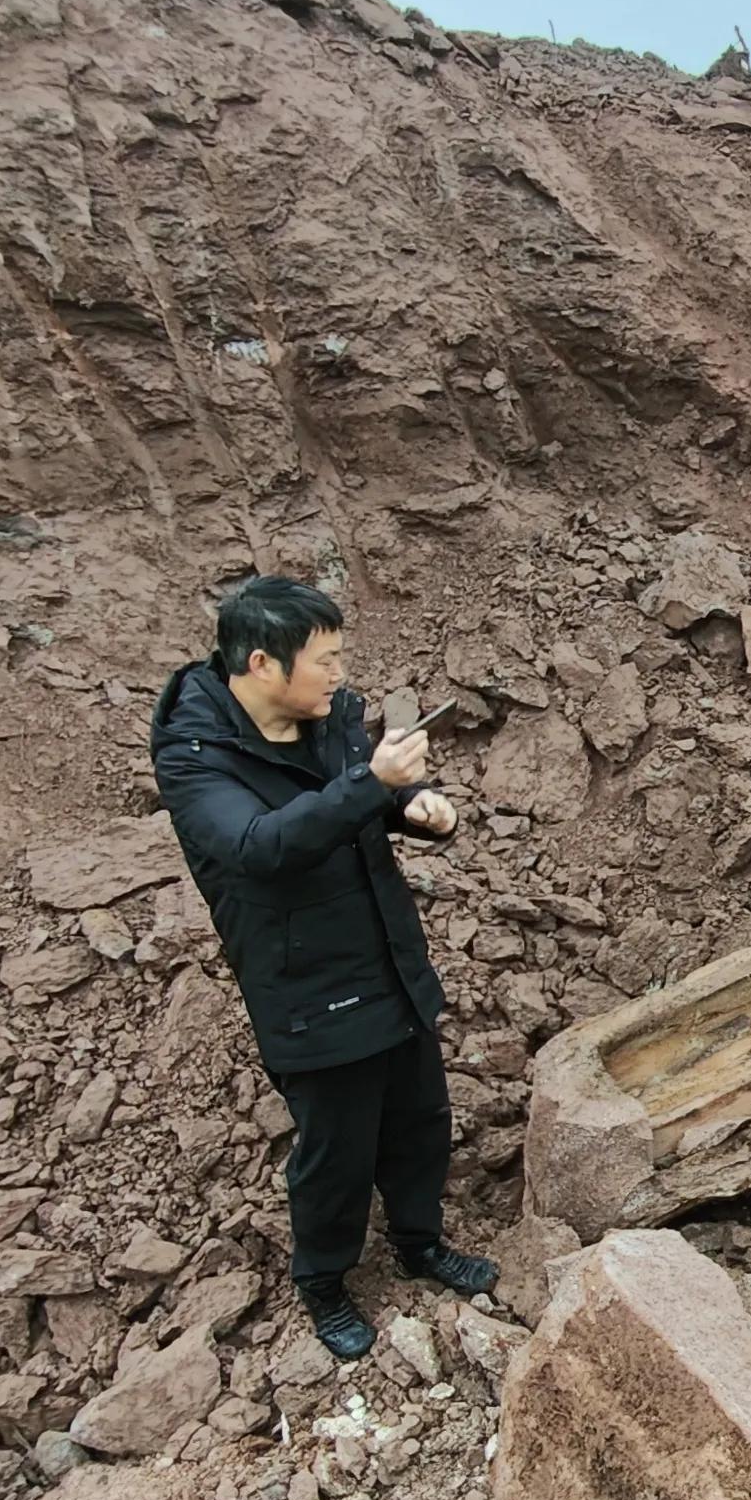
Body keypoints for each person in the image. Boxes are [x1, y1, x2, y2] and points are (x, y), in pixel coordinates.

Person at [150, 576, 499, 1358]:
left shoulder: (329, 716)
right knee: (335, 1151)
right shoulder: (197, 755)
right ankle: (325, 1285)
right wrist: (372, 784)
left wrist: (414, 808)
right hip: (303, 983)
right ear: (263, 665)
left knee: (418, 1121)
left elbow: (351, 803)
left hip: (383, 952)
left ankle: (420, 1242)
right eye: (326, 659)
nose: (341, 675)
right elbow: (260, 849)